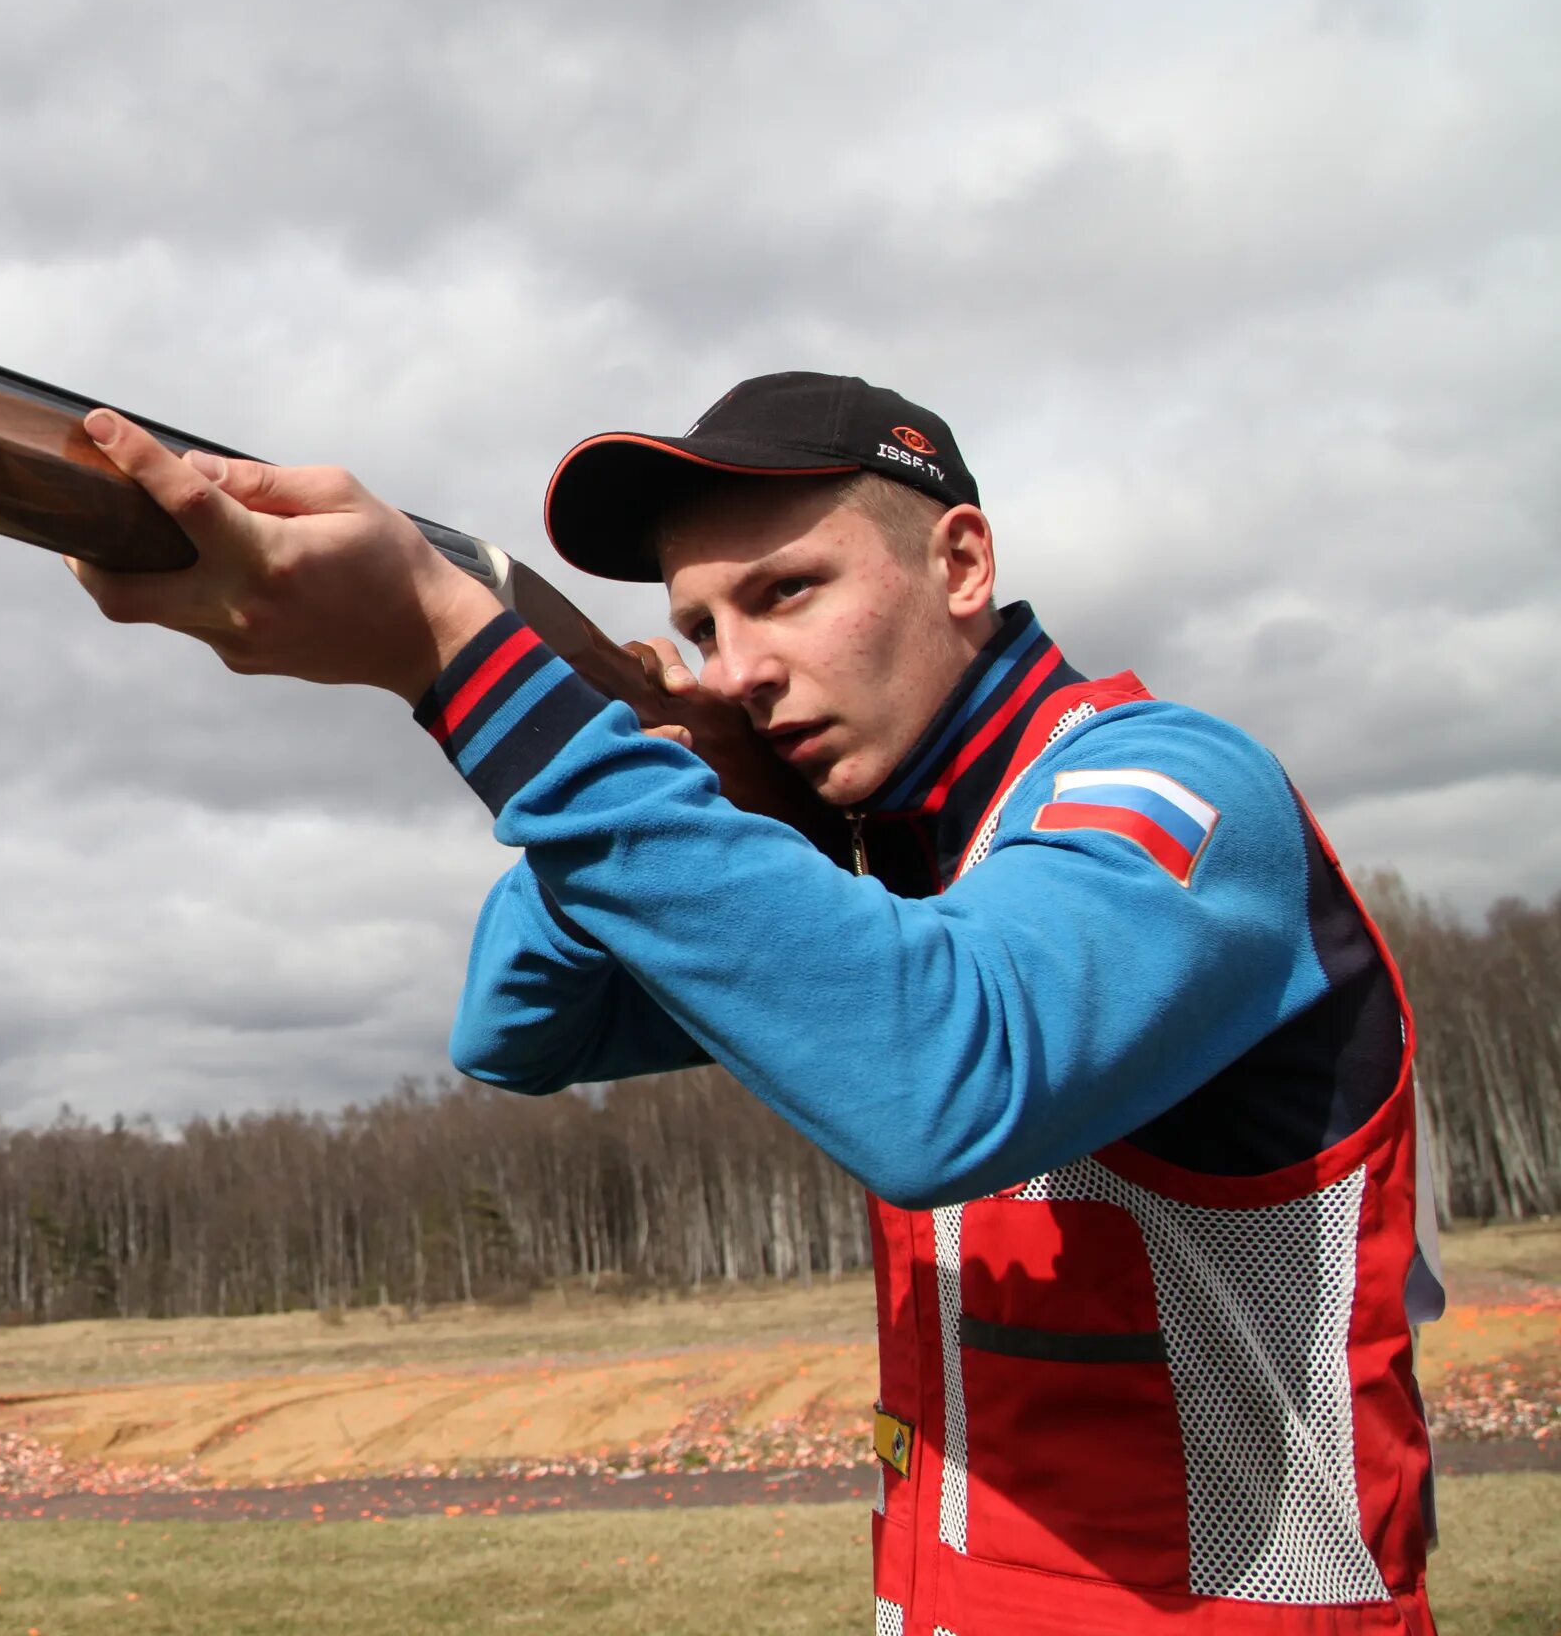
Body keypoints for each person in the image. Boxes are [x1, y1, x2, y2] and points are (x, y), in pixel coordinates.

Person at [69, 371, 1442, 1635]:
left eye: (784, 593)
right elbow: (517, 1031)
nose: (737, 671)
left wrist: (459, 657)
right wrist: (668, 768)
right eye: (698, 630)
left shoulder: (1172, 787)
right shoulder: (891, 863)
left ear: (960, 563)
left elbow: (943, 1082)